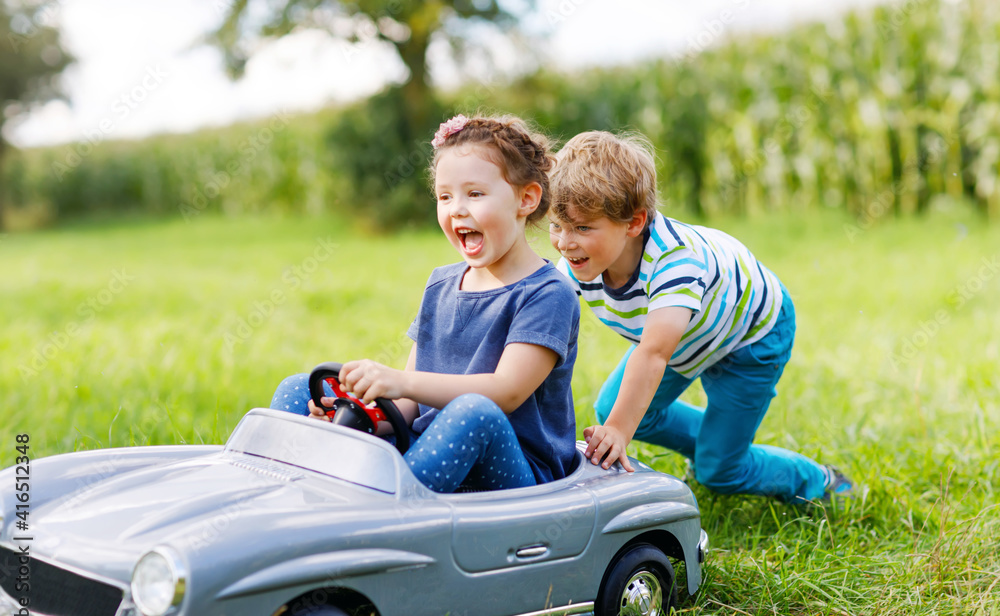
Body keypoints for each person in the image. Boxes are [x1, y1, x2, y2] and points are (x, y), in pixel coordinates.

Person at [270, 114, 580, 493]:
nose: (456, 209)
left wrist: (401, 382)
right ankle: (285, 491)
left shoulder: (548, 293)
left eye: (475, 194)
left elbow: (507, 391)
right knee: (298, 389)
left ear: (526, 199)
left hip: (516, 476)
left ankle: (384, 509)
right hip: (430, 449)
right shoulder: (441, 284)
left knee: (474, 412)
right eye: (445, 196)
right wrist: (347, 421)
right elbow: (408, 410)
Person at [547, 130, 851, 503]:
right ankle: (710, 444)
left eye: (582, 227)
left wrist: (618, 432)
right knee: (614, 407)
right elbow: (541, 324)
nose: (564, 241)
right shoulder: (578, 262)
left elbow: (654, 353)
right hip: (687, 336)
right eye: (556, 226)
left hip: (750, 336)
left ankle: (820, 482)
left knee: (719, 471)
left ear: (634, 223)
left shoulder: (675, 261)